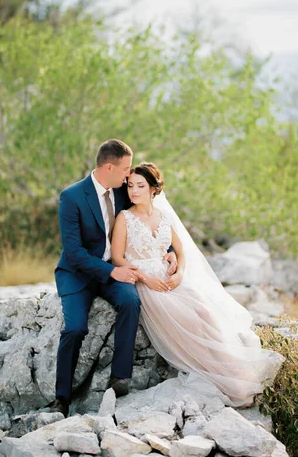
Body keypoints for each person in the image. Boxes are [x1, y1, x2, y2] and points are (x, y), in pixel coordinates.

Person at [111, 162, 285, 408]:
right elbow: (118, 257)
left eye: (140, 186)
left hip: (170, 278)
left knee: (205, 313)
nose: (133, 191)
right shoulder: (125, 218)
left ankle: (236, 372)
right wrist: (144, 277)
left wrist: (180, 273)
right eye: (130, 186)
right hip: (146, 282)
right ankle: (225, 381)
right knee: (187, 318)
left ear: (153, 189)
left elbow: (180, 251)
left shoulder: (163, 217)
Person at [47, 140, 177, 417]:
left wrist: (170, 252)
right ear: (109, 167)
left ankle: (120, 377)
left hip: (113, 270)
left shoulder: (122, 192)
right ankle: (62, 398)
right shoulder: (71, 197)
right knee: (75, 329)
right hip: (78, 274)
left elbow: (147, 221)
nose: (129, 176)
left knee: (130, 301)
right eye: (126, 169)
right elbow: (73, 252)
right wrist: (111, 271)